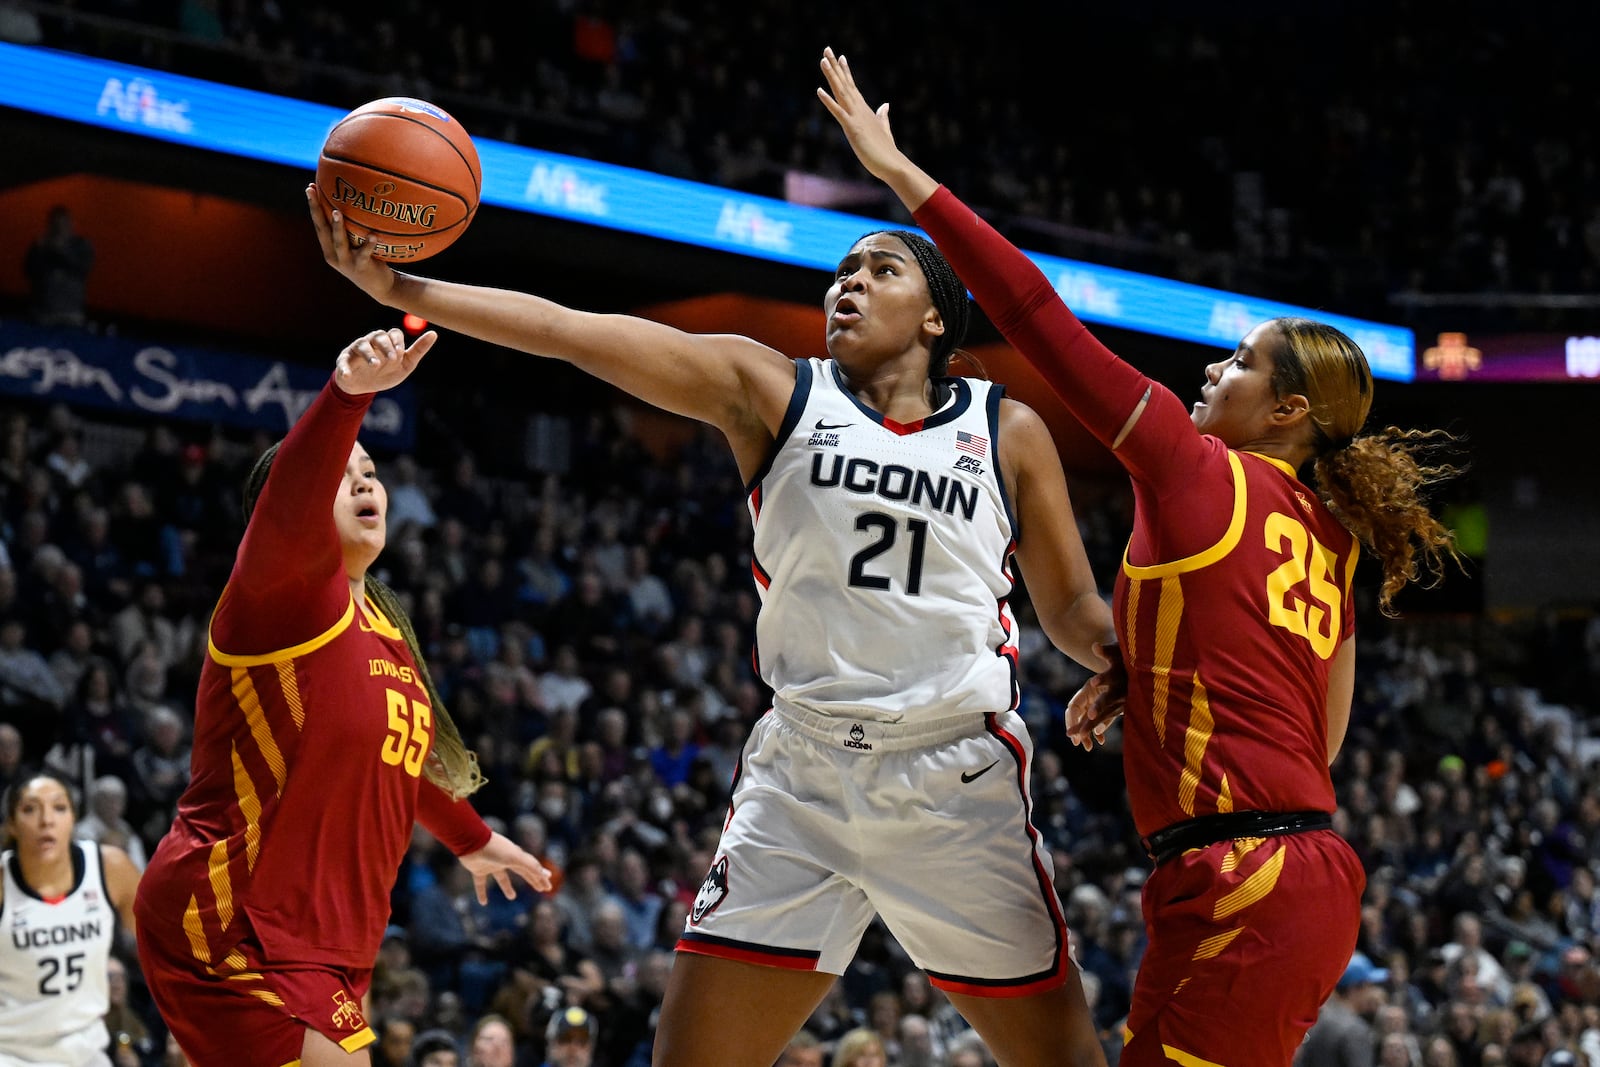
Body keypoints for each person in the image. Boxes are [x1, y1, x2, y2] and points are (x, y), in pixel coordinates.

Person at [310, 141, 1115, 1067]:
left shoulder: (1007, 429)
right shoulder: (773, 389)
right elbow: (573, 329)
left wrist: (1128, 661)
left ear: (937, 313)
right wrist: (407, 292)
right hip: (803, 776)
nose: (846, 284)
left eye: (879, 269)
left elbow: (1073, 608)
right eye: (841, 271)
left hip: (954, 779)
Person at [816, 47, 1462, 1067]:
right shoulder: (1328, 536)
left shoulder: (1194, 465)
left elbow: (1034, 314)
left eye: (1241, 361)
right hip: (1273, 864)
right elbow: (1321, 732)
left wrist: (904, 178)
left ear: (1287, 410)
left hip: (1243, 869)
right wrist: (1150, 676)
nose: (1214, 366)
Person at [132, 329, 552, 1067]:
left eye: (372, 470)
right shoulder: (278, 602)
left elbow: (400, 762)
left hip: (326, 939)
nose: (365, 483)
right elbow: (295, 489)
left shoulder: (386, 626)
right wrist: (346, 397)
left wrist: (472, 838)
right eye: (345, 471)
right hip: (232, 919)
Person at [0, 770, 142, 1066]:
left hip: (88, 1053)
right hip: (12, 1054)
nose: (46, 820)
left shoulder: (110, 868)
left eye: (59, 808)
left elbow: (163, 953)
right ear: (11, 824)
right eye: (30, 809)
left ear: (74, 819)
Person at [1296, 952, 1388, 1067]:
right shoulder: (1355, 1030)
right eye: (1370, 986)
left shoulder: (1316, 1024)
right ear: (1355, 988)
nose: (1373, 993)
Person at [24, 204, 94, 329]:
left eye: (64, 224)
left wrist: (59, 250)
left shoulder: (81, 245)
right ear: (50, 225)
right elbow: (30, 271)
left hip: (71, 314)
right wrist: (41, 250)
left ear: (71, 224)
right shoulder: (41, 245)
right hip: (44, 314)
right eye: (56, 225)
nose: (61, 229)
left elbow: (82, 269)